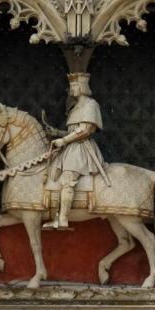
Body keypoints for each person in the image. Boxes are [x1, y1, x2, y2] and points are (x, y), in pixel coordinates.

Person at [43, 72, 109, 230]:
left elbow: (85, 130)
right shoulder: (76, 106)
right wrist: (57, 133)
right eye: (71, 86)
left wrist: (63, 140)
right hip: (70, 148)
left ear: (82, 86)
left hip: (82, 149)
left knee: (67, 181)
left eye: (74, 86)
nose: (71, 89)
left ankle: (63, 219)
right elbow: (73, 131)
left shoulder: (90, 105)